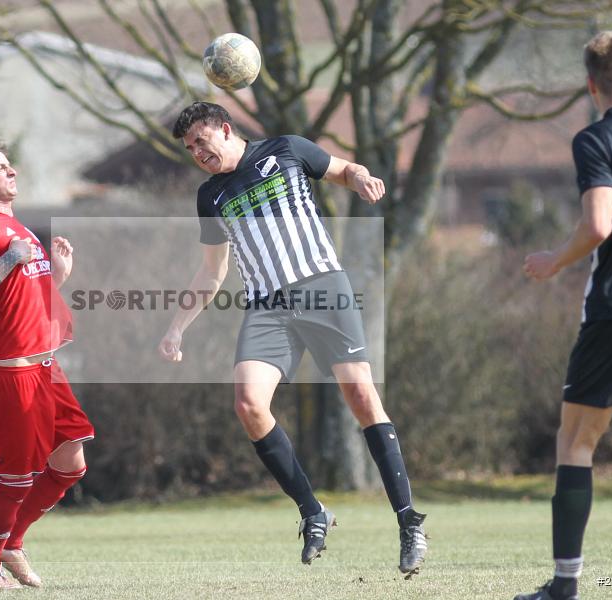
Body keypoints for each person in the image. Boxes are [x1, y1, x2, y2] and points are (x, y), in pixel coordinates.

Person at [158, 102, 428, 574]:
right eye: (189, 148)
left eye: (202, 141)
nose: (198, 152)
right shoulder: (210, 195)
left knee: (361, 396)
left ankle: (408, 521)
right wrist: (177, 326)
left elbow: (342, 169)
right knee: (248, 404)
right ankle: (312, 509)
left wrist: (361, 176)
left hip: (322, 286)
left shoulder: (285, 149)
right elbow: (211, 271)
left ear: (225, 129)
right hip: (268, 308)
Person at [516, 31, 612, 600]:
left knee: (577, 441)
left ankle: (565, 585)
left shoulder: (597, 138)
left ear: (590, 84)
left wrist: (555, 260)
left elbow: (599, 224)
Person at [0, 142, 95, 590]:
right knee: (14, 482)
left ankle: (13, 542)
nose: (10, 171)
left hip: (46, 368)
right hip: (12, 372)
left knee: (71, 462)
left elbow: (24, 296)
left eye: (9, 165)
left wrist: (57, 274)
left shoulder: (19, 228)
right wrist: (10, 257)